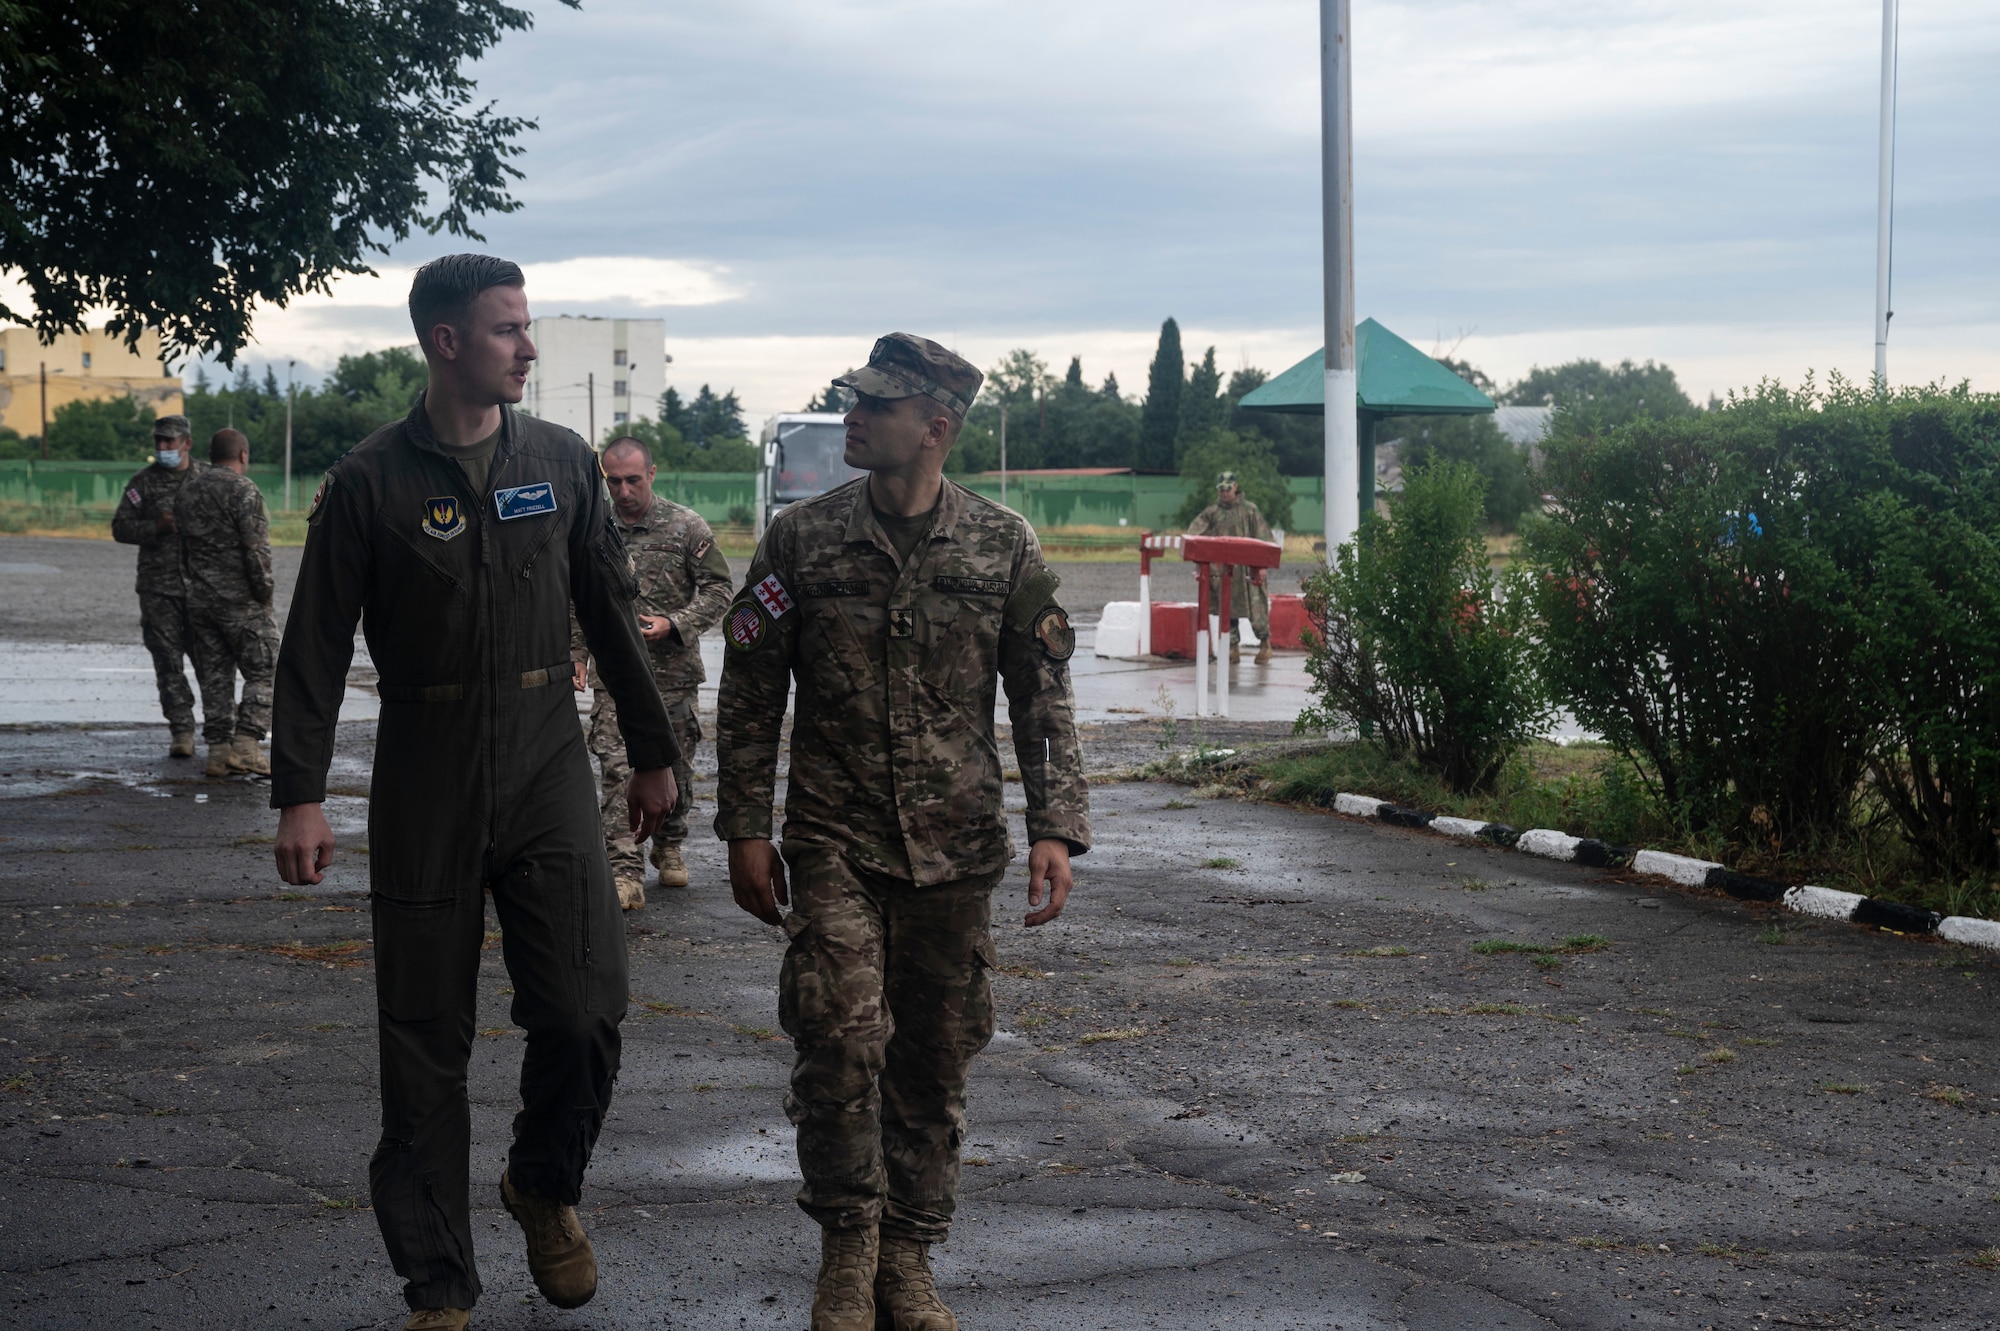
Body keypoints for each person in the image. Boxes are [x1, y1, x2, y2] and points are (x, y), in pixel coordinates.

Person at [268, 254, 680, 1331]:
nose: (529, 348)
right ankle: (439, 1284)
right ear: (445, 341)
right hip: (425, 770)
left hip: (547, 759)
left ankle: (542, 1185)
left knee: (586, 1008)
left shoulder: (561, 461)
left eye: (529, 326)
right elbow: (312, 649)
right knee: (420, 1046)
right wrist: (298, 793)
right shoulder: (369, 482)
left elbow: (610, 605)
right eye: (508, 330)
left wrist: (651, 751)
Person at [715, 333, 1091, 1331]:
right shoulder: (802, 538)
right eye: (851, 400)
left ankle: (907, 1256)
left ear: (935, 425)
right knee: (836, 1042)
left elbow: (1040, 695)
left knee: (934, 1057)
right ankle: (847, 1246)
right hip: (834, 835)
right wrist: (742, 825)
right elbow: (750, 691)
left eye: (874, 405)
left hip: (955, 846)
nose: (852, 417)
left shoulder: (1000, 543)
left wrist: (1057, 823)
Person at [573, 436, 733, 909]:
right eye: (614, 481)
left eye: (633, 480)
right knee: (618, 770)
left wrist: (675, 624)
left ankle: (670, 844)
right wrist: (577, 652)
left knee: (676, 773)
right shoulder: (593, 530)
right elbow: (575, 600)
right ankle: (624, 870)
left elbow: (720, 591)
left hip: (674, 677)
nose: (623, 491)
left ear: (652, 474)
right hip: (615, 682)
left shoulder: (685, 526)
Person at [176, 428, 280, 777]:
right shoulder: (243, 489)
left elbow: (182, 550)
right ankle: (247, 746)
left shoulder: (187, 489)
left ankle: (218, 753)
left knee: (215, 677)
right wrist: (264, 591)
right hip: (241, 601)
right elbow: (255, 549)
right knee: (267, 669)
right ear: (243, 455)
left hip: (200, 600)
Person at [110, 415, 205, 756]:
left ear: (187, 443)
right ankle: (182, 732)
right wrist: (155, 528)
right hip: (158, 589)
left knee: (211, 663)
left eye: (169, 441)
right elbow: (120, 527)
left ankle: (221, 734)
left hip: (203, 589)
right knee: (168, 663)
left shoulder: (207, 479)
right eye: (159, 442)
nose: (163, 447)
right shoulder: (144, 483)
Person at [1186, 469, 1275, 665]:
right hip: (1224, 570)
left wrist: (1262, 566)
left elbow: (1264, 538)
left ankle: (1265, 643)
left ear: (1235, 487)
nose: (1224, 493)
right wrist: (1200, 561)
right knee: (1227, 609)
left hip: (1248, 569)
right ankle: (1232, 647)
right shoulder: (1212, 512)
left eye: (1228, 488)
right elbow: (1194, 535)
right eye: (1221, 489)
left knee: (1256, 608)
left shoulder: (1250, 510)